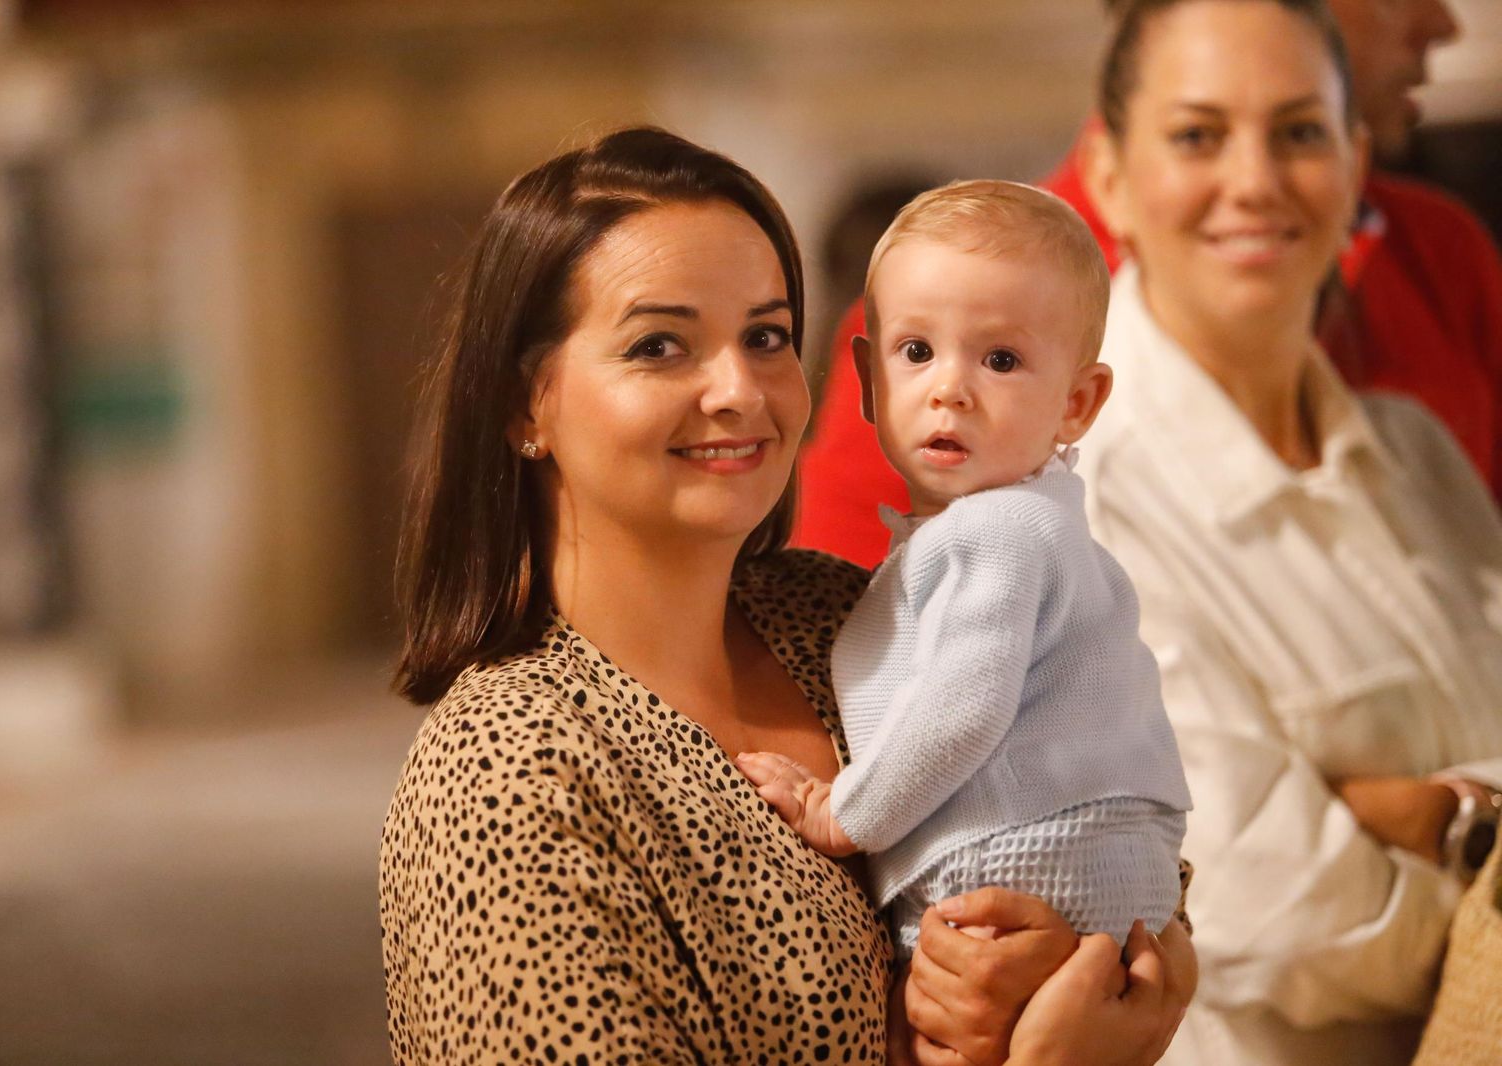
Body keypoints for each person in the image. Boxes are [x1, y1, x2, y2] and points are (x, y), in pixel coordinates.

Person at [378, 126, 1195, 1065]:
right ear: (527, 403)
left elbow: (1123, 845)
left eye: (765, 337)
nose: (739, 389)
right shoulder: (510, 771)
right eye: (658, 345)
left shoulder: (837, 613)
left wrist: (1070, 959)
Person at [1079, 1, 1502, 1062]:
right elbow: (1272, 915)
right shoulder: (1074, 500)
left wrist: (1426, 822)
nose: (1255, 180)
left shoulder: (1418, 453)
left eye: (1300, 132)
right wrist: (1479, 840)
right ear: (1109, 176)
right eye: (1198, 135)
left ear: (1355, 165)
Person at [798, 0, 1502, 567]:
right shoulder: (940, 321)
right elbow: (844, 652)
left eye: (1299, 134)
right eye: (1198, 135)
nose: (1442, 23)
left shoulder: (1439, 257)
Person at [735, 180, 1190, 958]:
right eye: (916, 352)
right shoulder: (1042, 526)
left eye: (1001, 360)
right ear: (869, 379)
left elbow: (962, 708)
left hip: (1023, 854)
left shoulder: (997, 534)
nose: (950, 390)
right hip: (1103, 857)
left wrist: (841, 815)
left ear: (1077, 403)